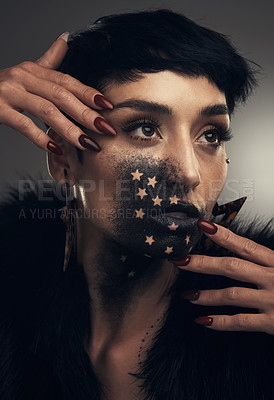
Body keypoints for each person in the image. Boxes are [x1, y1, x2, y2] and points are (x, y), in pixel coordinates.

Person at [0, 8, 274, 400]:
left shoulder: (259, 332)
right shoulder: (11, 294)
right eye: (146, 129)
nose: (190, 173)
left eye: (211, 135)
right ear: (63, 159)